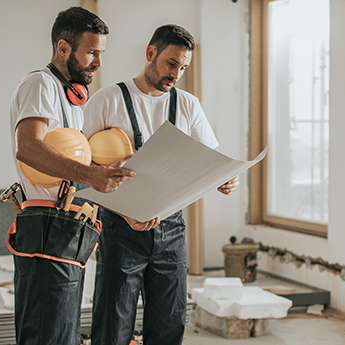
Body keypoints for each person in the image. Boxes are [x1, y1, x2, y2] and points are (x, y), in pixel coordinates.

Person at [83, 24, 240, 345]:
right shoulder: (106, 100)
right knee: (112, 324)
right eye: (171, 63)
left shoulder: (188, 105)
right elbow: (82, 170)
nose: (176, 74)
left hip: (172, 230)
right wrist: (126, 213)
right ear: (150, 53)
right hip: (121, 229)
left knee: (169, 322)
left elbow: (210, 159)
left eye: (183, 67)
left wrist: (226, 178)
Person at [9, 7, 135, 345]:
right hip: (46, 226)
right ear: (63, 48)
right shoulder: (41, 84)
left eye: (101, 53)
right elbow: (29, 149)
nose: (98, 63)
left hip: (68, 226)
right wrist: (91, 174)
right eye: (92, 52)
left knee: (62, 331)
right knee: (46, 333)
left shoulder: (75, 99)